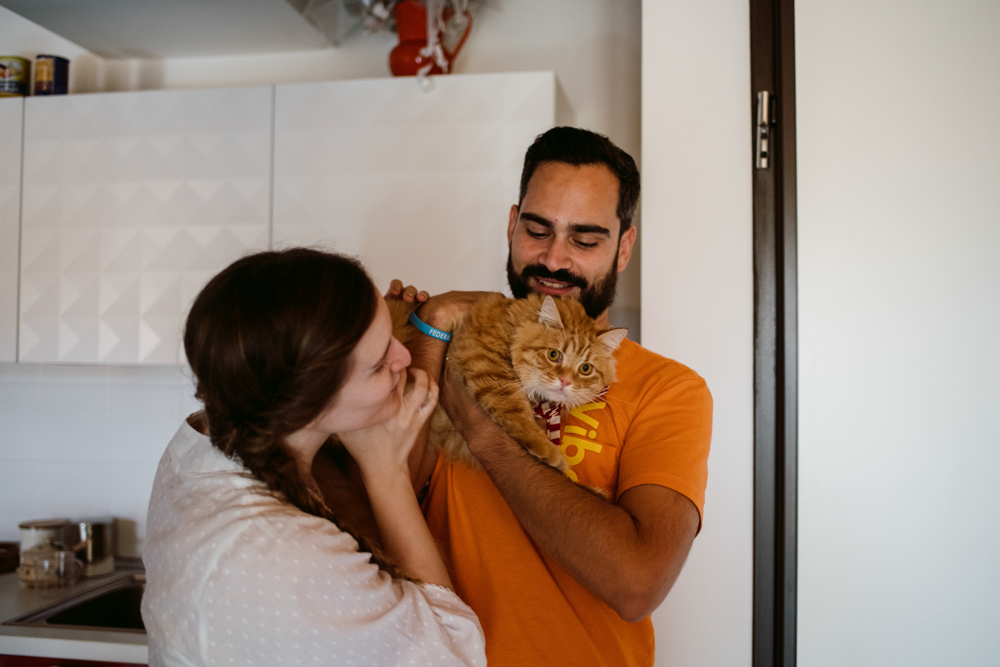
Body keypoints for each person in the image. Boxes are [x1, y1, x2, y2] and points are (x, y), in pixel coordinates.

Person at [397, 127, 713, 667]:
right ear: (511, 225)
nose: (554, 260)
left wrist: (483, 430)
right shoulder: (451, 345)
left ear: (624, 248)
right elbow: (381, 500)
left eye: (585, 240)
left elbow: (637, 582)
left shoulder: (670, 389)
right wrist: (430, 326)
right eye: (537, 230)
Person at [141, 248, 486, 667]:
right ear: (309, 403)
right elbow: (455, 652)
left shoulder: (198, 444)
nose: (405, 357)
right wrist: (386, 472)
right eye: (379, 365)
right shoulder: (287, 554)